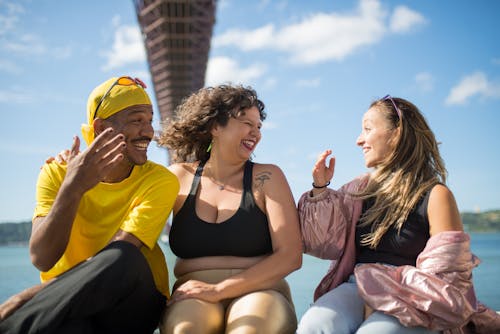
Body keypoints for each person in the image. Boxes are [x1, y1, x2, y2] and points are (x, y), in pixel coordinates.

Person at [296, 95, 500, 333]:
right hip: (356, 286)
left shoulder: (436, 195)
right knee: (315, 323)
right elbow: (320, 242)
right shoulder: (357, 191)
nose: (358, 140)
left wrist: (386, 293)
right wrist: (320, 189)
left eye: (367, 129)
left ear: (397, 133)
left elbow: (450, 280)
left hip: (415, 298)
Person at [0, 76, 179, 334]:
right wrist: (73, 188)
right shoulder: (56, 173)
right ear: (101, 127)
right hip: (67, 303)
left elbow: (115, 261)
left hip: (132, 304)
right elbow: (42, 258)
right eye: (136, 120)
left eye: (150, 121)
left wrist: (24, 297)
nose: (149, 132)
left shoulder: (160, 181)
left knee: (125, 256)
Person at [156, 84, 302, 333]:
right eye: (246, 122)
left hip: (261, 290)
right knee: (186, 330)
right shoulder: (178, 176)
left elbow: (290, 255)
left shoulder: (267, 177)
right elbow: (141, 232)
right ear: (215, 127)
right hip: (193, 292)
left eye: (258, 126)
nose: (255, 133)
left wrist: (218, 290)